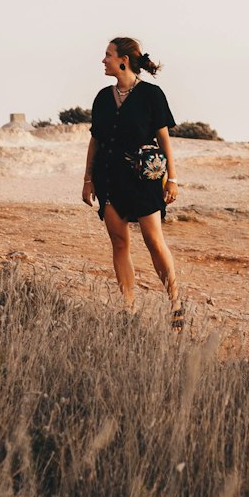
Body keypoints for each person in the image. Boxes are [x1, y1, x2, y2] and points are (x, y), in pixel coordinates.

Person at [81, 37, 185, 329]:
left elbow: (163, 138)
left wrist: (172, 179)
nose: (103, 60)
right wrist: (88, 179)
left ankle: (175, 301)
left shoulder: (151, 94)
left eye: (108, 55)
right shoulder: (103, 97)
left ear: (123, 60)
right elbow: (96, 139)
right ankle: (127, 308)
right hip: (109, 178)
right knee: (119, 242)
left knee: (154, 241)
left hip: (143, 180)